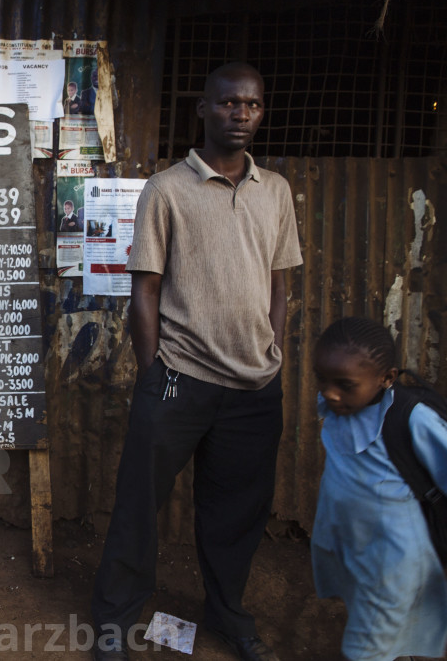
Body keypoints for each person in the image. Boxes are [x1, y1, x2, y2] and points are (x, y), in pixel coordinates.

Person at [90, 62, 302, 661]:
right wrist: (155, 370)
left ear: (262, 111)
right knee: (139, 504)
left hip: (254, 386)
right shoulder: (167, 189)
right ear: (203, 110)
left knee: (237, 513)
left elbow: (280, 285)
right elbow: (145, 290)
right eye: (230, 103)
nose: (242, 114)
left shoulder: (276, 191)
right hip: (179, 380)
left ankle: (228, 613)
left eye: (253, 104)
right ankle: (114, 620)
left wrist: (275, 355)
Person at [312, 317, 447, 661]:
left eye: (343, 384)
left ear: (386, 378)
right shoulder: (341, 403)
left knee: (366, 649)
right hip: (354, 548)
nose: (329, 392)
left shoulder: (410, 417)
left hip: (392, 562)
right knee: (385, 632)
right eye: (322, 380)